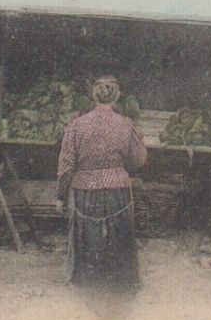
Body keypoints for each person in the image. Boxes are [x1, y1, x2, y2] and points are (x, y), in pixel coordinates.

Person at [57, 76, 147, 294]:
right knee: (120, 234)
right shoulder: (126, 124)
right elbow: (140, 158)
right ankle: (121, 283)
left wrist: (61, 195)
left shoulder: (77, 125)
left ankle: (88, 283)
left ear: (93, 95)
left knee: (88, 236)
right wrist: (119, 165)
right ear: (117, 96)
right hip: (118, 188)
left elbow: (66, 165)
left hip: (84, 189)